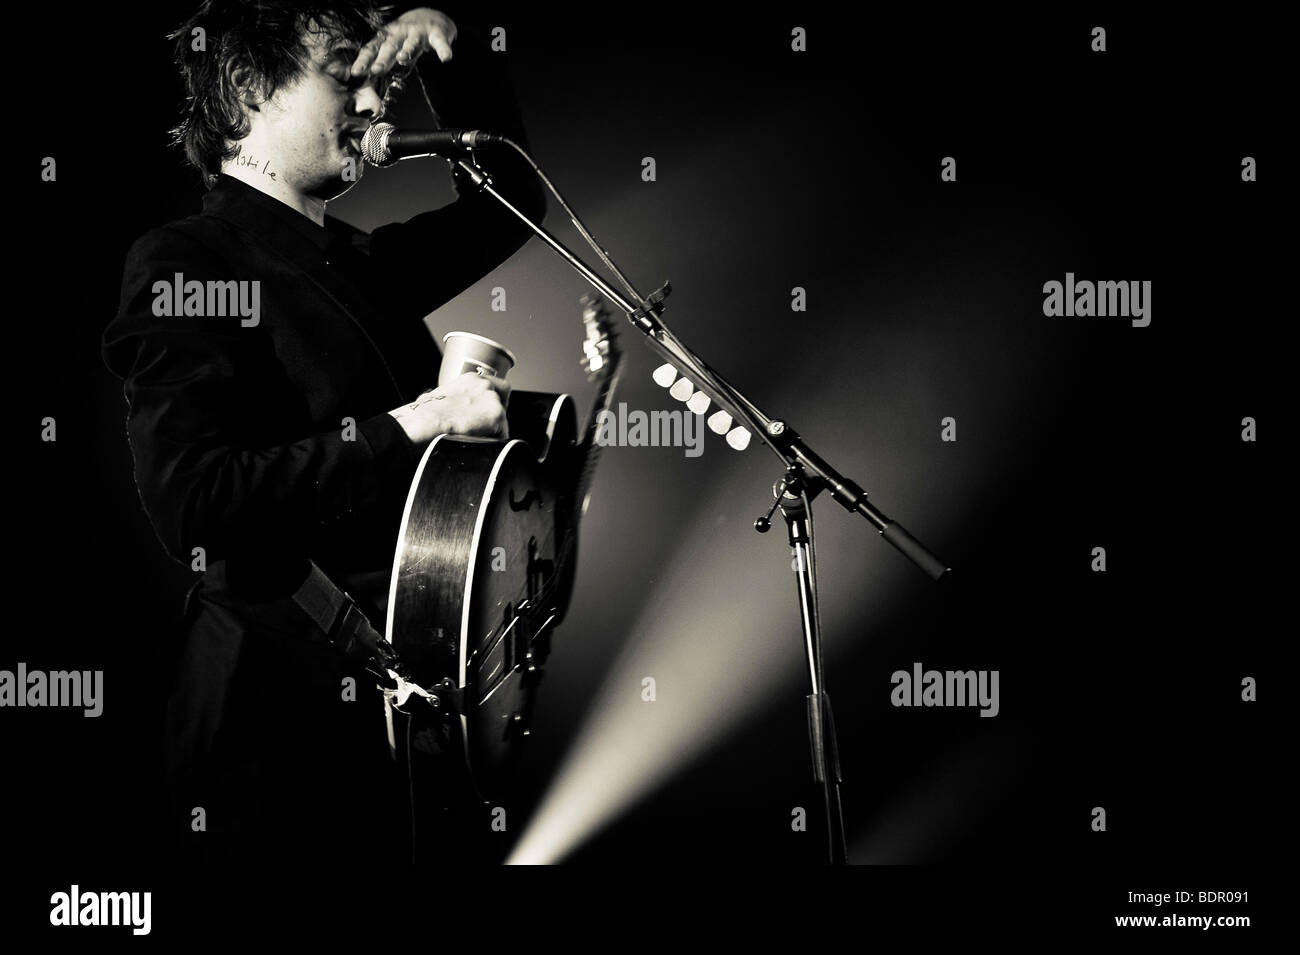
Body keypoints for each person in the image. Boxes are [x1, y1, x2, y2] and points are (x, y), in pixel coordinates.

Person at [101, 0, 546, 865]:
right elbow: (194, 499)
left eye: (383, 82)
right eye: (347, 76)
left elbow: (513, 203)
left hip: (388, 707)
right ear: (246, 89)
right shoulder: (188, 259)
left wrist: (449, 52)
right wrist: (413, 423)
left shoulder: (358, 262)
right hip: (269, 716)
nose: (378, 105)